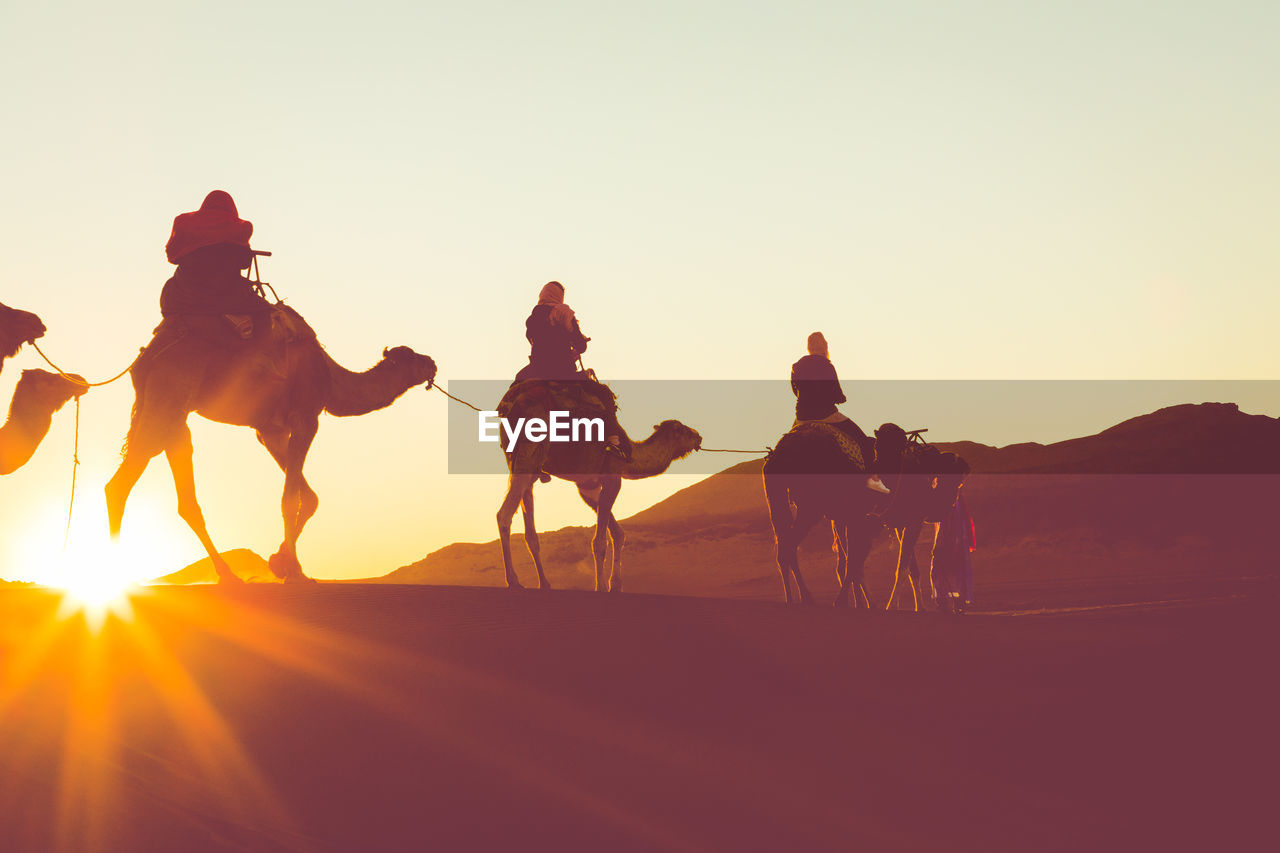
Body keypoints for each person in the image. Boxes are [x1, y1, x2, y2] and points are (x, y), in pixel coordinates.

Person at [513, 281, 628, 459]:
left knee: (516, 387)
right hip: (564, 373)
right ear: (559, 296)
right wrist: (572, 343)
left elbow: (535, 340)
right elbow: (581, 346)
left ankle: (512, 443)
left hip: (537, 370)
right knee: (604, 394)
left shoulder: (533, 317)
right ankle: (614, 443)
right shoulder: (565, 313)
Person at [159, 190, 271, 338]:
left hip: (181, 297)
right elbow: (244, 263)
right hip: (225, 296)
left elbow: (172, 255)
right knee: (265, 313)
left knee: (167, 296)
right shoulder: (240, 227)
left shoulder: (183, 222)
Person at [791, 331, 887, 493]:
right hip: (826, 415)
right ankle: (872, 482)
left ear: (809, 347)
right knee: (863, 442)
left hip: (802, 417)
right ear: (825, 346)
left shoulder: (796, 366)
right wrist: (842, 397)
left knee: (787, 442)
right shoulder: (827, 365)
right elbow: (836, 394)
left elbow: (795, 391)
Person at [930, 485, 976, 614]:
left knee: (951, 570)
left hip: (953, 543)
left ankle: (952, 602)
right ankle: (947, 602)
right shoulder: (947, 501)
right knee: (946, 570)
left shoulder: (955, 502)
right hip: (949, 543)